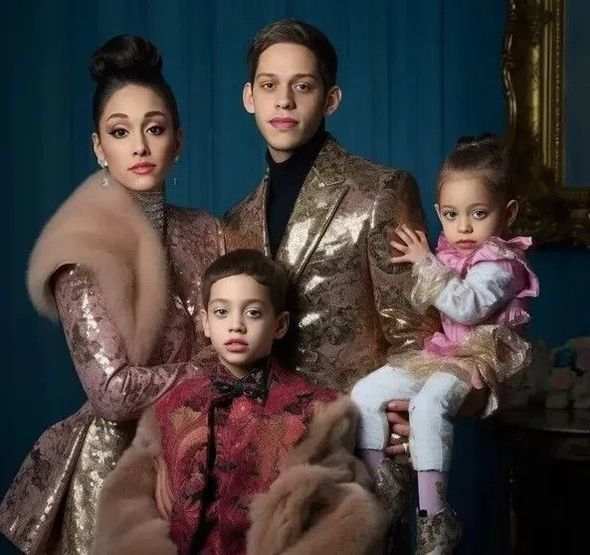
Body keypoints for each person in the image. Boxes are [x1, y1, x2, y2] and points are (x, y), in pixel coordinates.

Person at [222, 19, 451, 536]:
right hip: (257, 470)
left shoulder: (380, 191)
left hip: (355, 463)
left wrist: (399, 436)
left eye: (302, 86)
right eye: (269, 85)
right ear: (249, 97)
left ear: (331, 99)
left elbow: (417, 337)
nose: (284, 100)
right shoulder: (236, 221)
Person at [0, 35, 223, 554]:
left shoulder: (208, 231)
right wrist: (210, 370)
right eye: (120, 132)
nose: (140, 147)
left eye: (155, 128)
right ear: (99, 147)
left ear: (178, 141)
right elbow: (112, 392)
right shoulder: (80, 249)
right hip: (114, 471)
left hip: (203, 452)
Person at [92, 249, 386, 555]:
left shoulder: (317, 411)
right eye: (222, 312)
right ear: (206, 322)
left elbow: (337, 514)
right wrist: (158, 463)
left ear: (280, 325)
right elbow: (137, 502)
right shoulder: (176, 405)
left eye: (253, 313)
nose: (236, 325)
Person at [351, 134, 540, 553]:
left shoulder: (501, 263)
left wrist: (425, 263)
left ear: (508, 213)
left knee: (430, 403)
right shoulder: (449, 252)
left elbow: (467, 306)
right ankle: (384, 490)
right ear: (439, 212)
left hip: (478, 356)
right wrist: (427, 262)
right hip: (442, 352)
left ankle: (435, 517)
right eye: (451, 215)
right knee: (364, 393)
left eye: (479, 213)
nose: (464, 227)